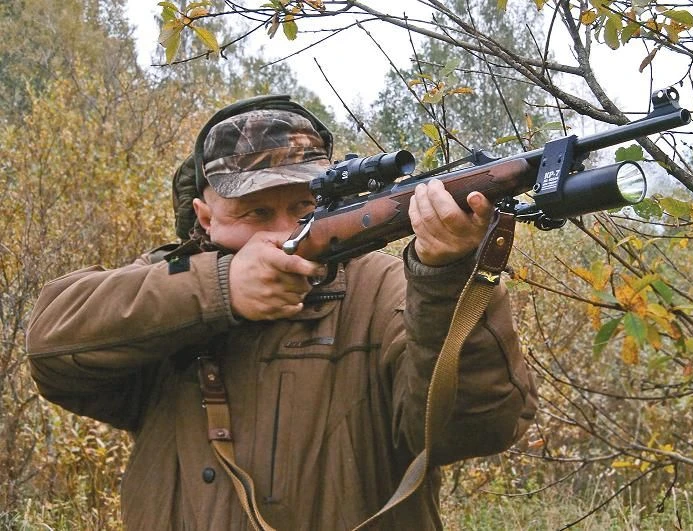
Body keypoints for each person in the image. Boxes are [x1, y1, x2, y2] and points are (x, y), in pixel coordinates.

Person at [26, 96, 537, 530]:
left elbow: (478, 427)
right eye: (255, 212)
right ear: (205, 216)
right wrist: (220, 288)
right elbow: (51, 348)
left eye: (303, 210)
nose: (282, 232)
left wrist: (447, 276)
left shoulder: (384, 288)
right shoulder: (171, 284)